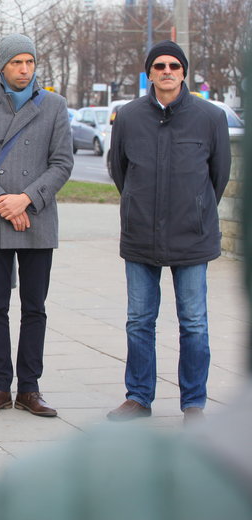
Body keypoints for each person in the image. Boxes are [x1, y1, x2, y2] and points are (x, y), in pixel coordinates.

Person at [107, 40, 230, 424]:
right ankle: (138, 398)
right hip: (141, 234)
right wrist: (137, 206)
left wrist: (195, 208)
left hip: (192, 237)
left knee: (194, 323)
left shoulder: (210, 117)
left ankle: (193, 403)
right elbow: (119, 170)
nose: (166, 71)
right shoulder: (128, 116)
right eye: (159, 65)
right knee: (139, 320)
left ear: (183, 72)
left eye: (174, 65)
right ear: (150, 72)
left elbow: (218, 176)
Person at [0, 34, 73, 417]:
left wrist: (26, 199)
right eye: (17, 62)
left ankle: (30, 388)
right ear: (2, 66)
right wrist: (0, 200)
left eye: (30, 62)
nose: (25, 69)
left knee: (35, 307)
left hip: (37, 218)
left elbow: (62, 163)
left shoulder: (54, 105)